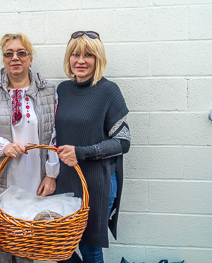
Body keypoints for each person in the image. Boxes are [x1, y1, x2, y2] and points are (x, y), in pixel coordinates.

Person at [0, 33, 59, 263]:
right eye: (9, 53)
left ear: (30, 58)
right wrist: (2, 147)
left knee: (27, 250)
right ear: (3, 59)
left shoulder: (48, 92)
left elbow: (55, 136)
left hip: (34, 184)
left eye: (21, 53)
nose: (15, 58)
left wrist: (52, 174)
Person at [54, 31, 131, 263]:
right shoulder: (62, 90)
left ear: (98, 59)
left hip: (98, 183)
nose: (80, 60)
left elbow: (123, 142)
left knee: (90, 251)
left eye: (88, 55)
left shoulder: (109, 91)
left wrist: (82, 152)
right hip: (66, 182)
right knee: (60, 250)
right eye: (75, 54)